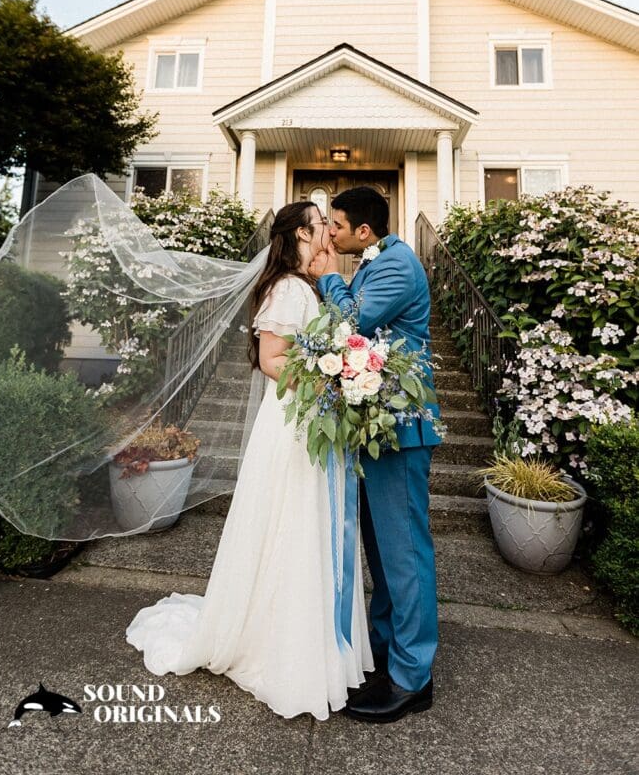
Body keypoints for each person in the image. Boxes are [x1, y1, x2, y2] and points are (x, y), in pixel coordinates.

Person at [125, 201, 374, 721]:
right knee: (292, 525)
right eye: (318, 226)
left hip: (311, 420)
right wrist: (331, 378)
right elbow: (270, 360)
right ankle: (279, 648)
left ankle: (312, 640)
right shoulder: (285, 287)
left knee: (311, 527)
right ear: (297, 236)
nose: (328, 232)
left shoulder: (308, 286)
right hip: (292, 424)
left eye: (330, 225)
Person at [309, 185, 442, 724]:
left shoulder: (396, 264)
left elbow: (354, 323)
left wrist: (328, 279)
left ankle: (414, 678)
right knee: (383, 552)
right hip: (375, 427)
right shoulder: (375, 260)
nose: (331, 234)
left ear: (364, 231)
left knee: (404, 552)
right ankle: (388, 651)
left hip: (402, 426)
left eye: (336, 226)